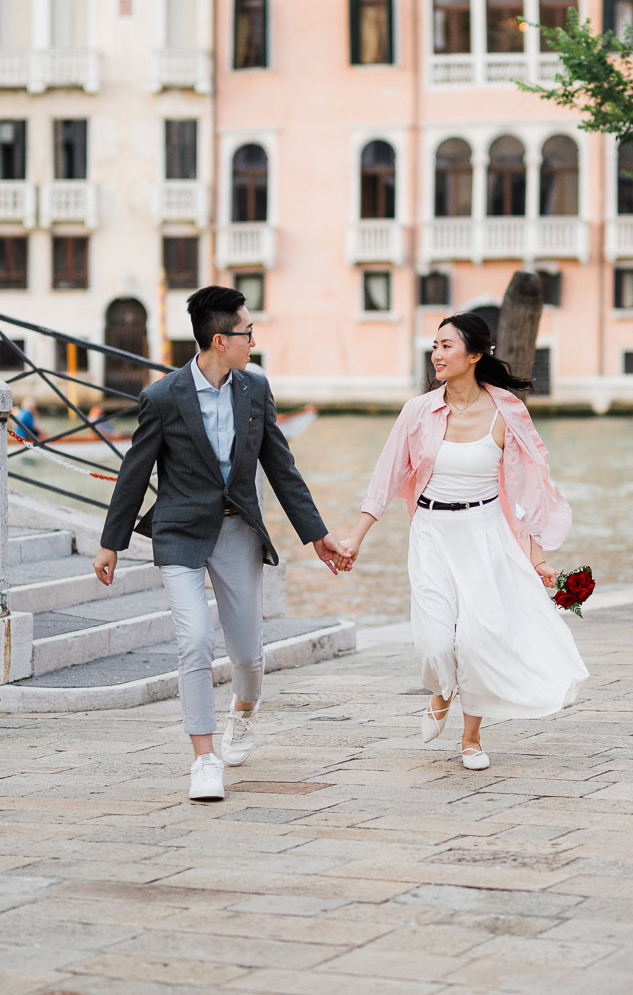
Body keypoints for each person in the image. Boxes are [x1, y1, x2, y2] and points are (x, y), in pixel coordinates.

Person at [95, 285, 346, 802]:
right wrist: (111, 543)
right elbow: (134, 472)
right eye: (246, 332)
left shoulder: (255, 390)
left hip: (237, 531)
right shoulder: (162, 397)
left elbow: (281, 467)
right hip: (180, 533)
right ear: (219, 339)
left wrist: (316, 534)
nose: (252, 339)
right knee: (192, 642)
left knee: (248, 658)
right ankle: (203, 759)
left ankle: (243, 711)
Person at [338, 312, 587, 770]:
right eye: (434, 346)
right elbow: (386, 475)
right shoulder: (419, 411)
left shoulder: (507, 410)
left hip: (487, 534)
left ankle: (470, 739)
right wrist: (355, 538)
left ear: (474, 355)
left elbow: (529, 486)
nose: (436, 354)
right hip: (432, 532)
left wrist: (537, 557)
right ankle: (440, 689)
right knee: (435, 643)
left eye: (446, 346)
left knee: (477, 642)